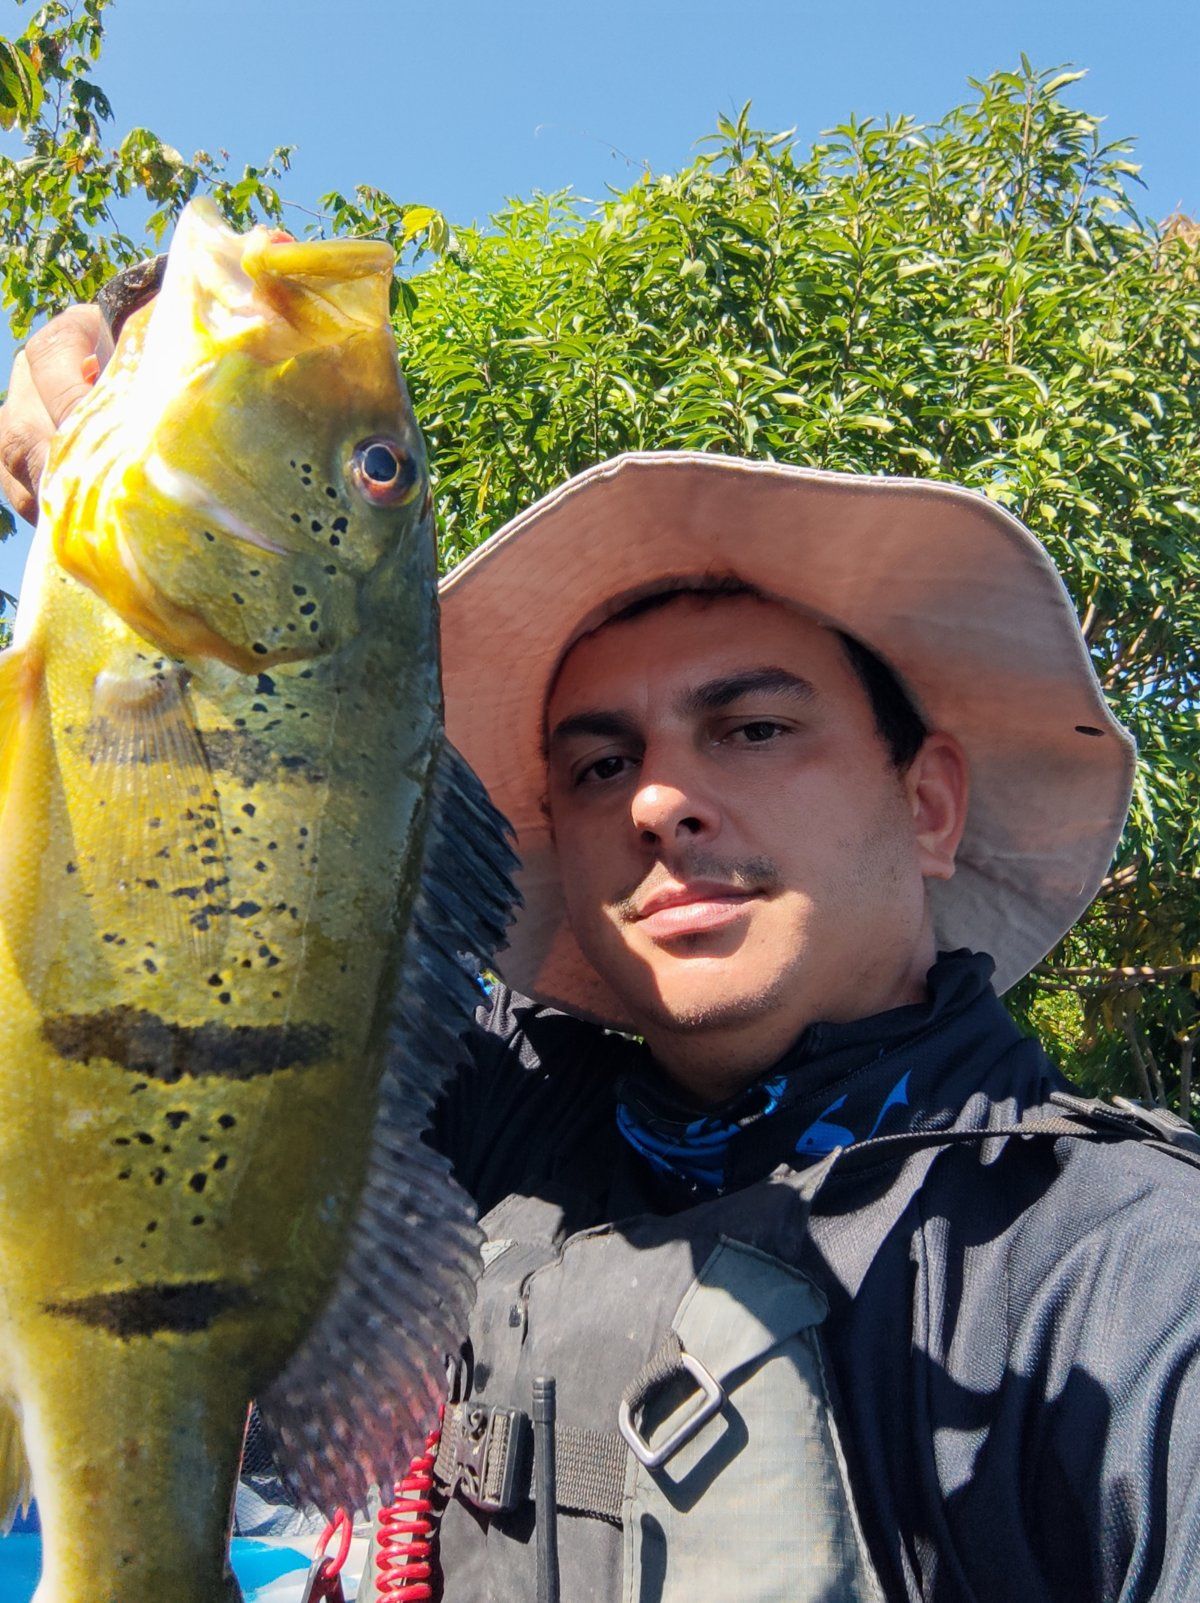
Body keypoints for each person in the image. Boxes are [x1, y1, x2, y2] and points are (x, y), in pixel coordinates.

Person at [4, 311, 1200, 1603]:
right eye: (602, 764)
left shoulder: (1130, 1274)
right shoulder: (475, 1112)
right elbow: (209, 924)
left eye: (752, 728)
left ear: (929, 804)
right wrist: (129, 375)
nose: (658, 802)